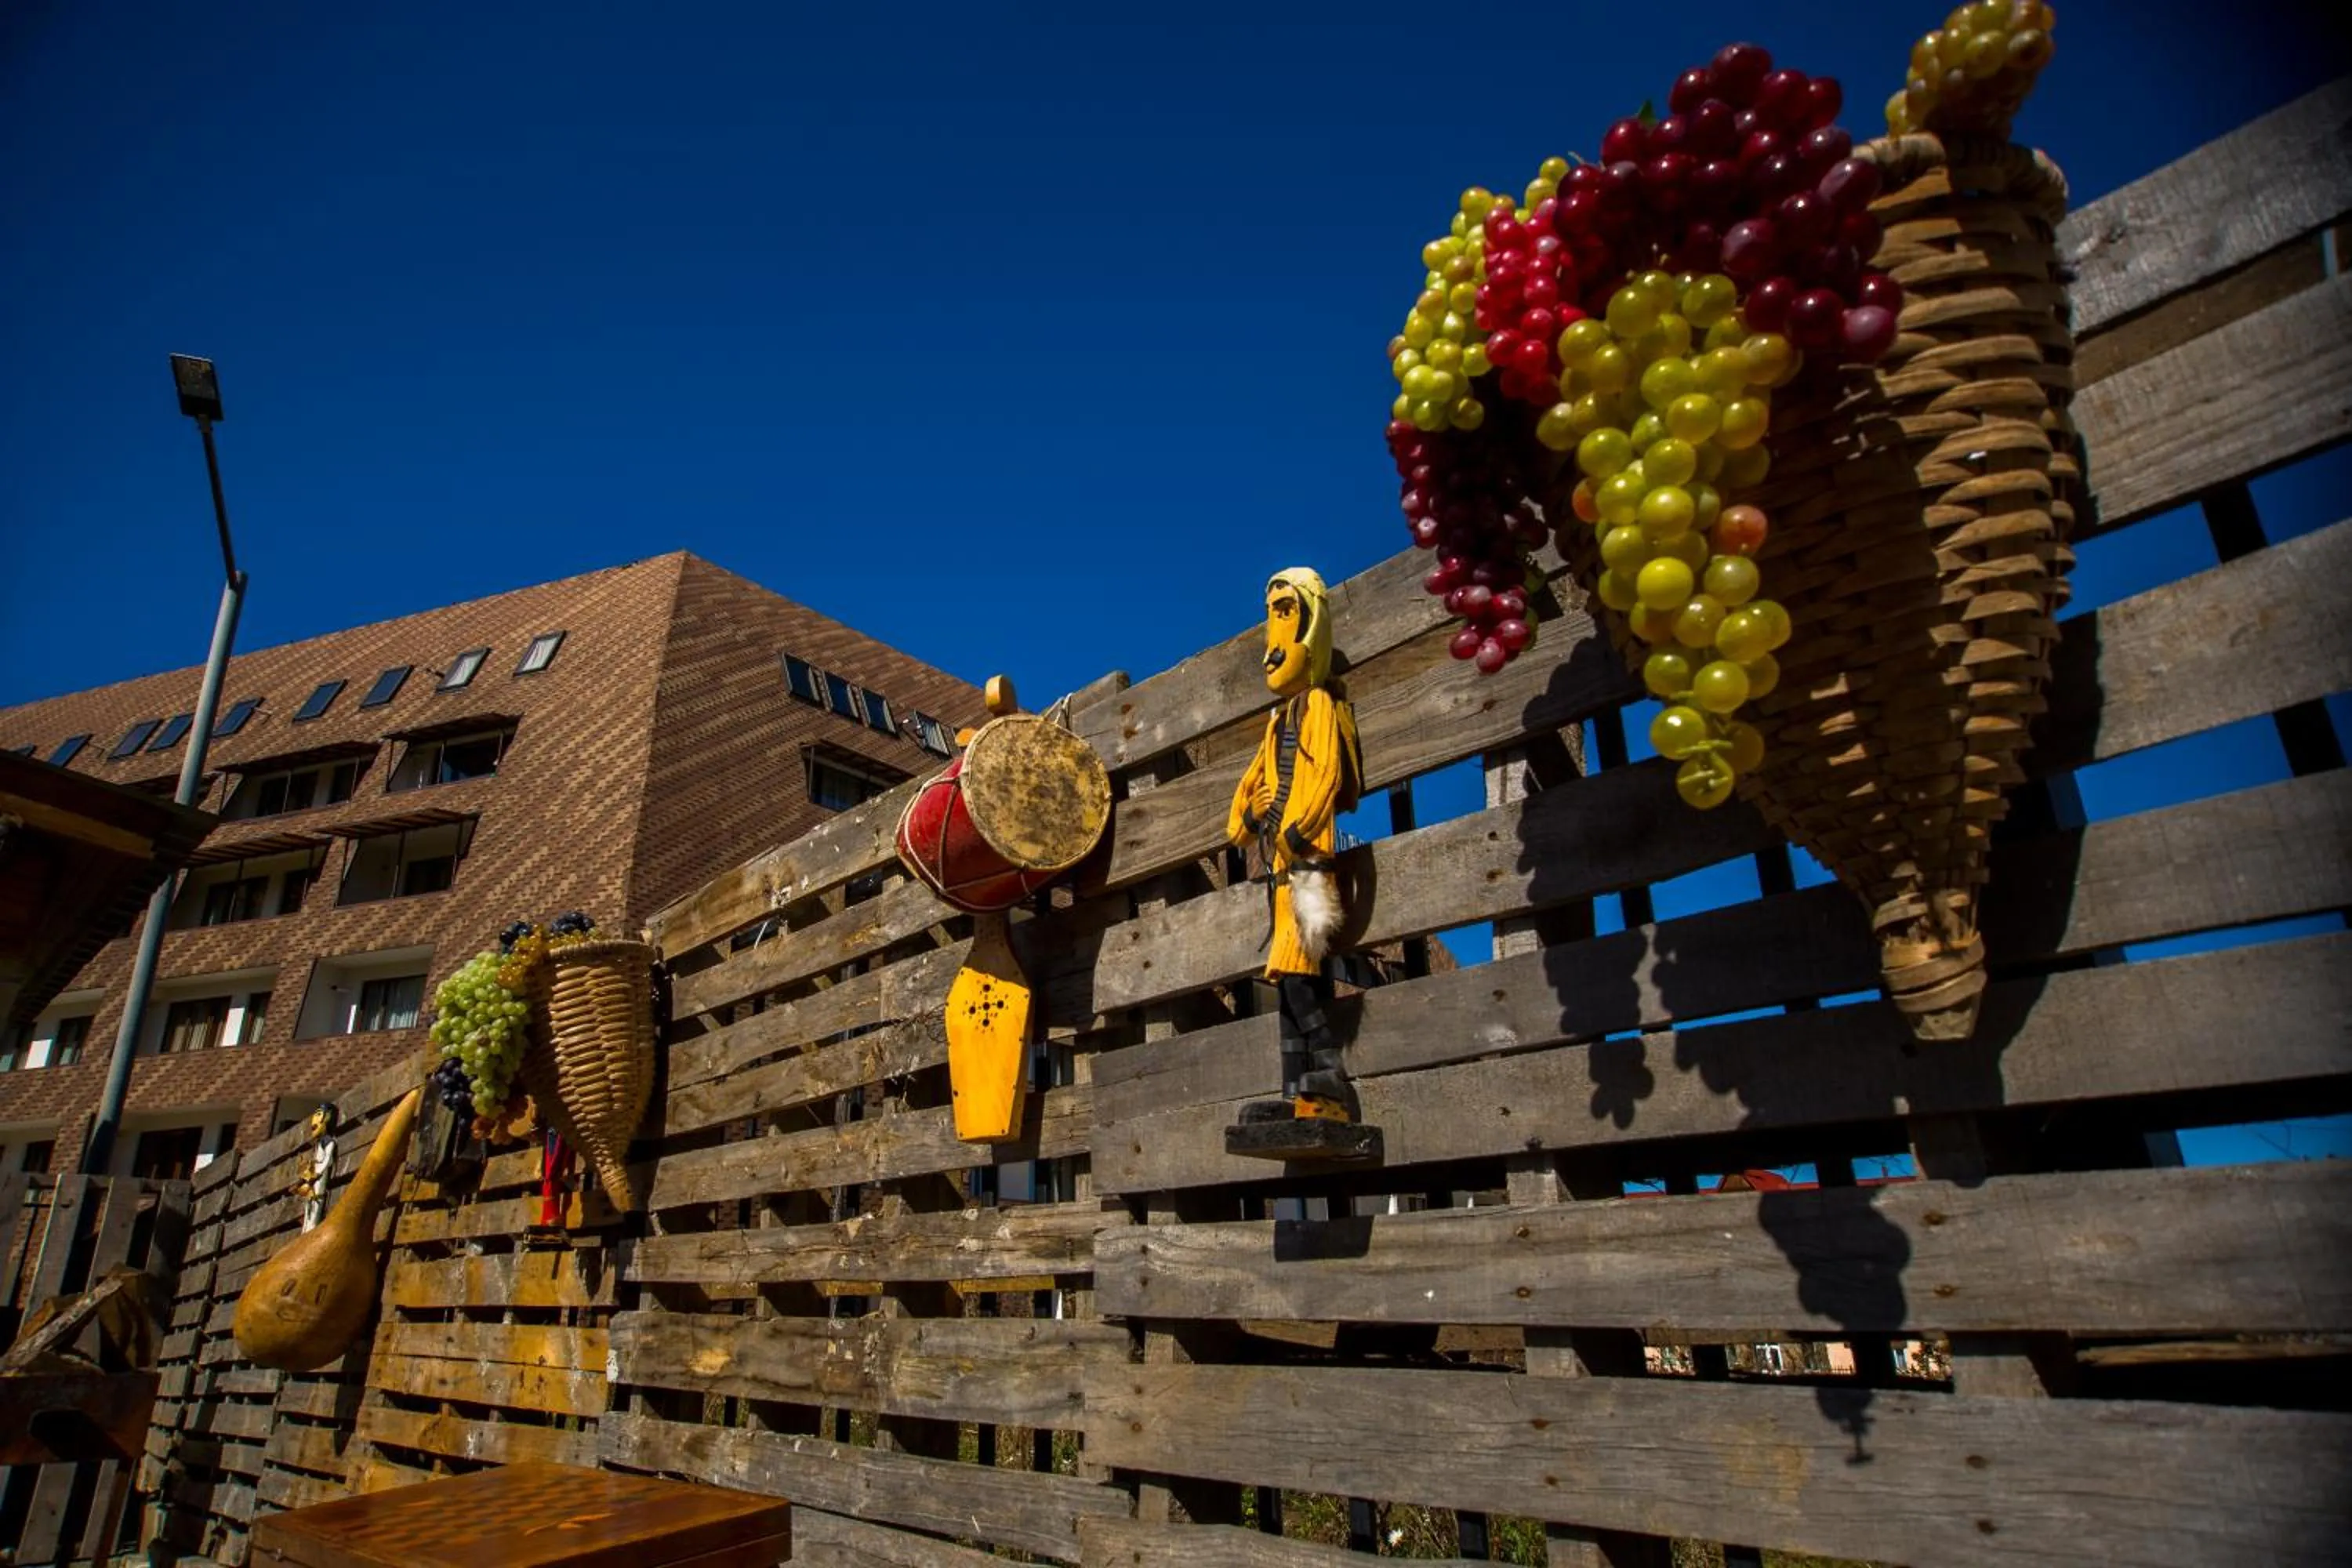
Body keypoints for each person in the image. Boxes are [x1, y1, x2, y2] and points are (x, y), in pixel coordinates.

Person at [1226, 568, 1364, 1130]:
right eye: (1271, 617)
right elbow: (1238, 815)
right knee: (1287, 978)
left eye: (1284, 613)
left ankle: (1329, 1078)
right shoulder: (1276, 721)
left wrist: (1292, 834)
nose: (1271, 643)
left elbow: (1326, 778)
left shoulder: (1321, 708)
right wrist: (1254, 810)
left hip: (1305, 864)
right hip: (1284, 872)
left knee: (1299, 971)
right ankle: (1296, 1090)